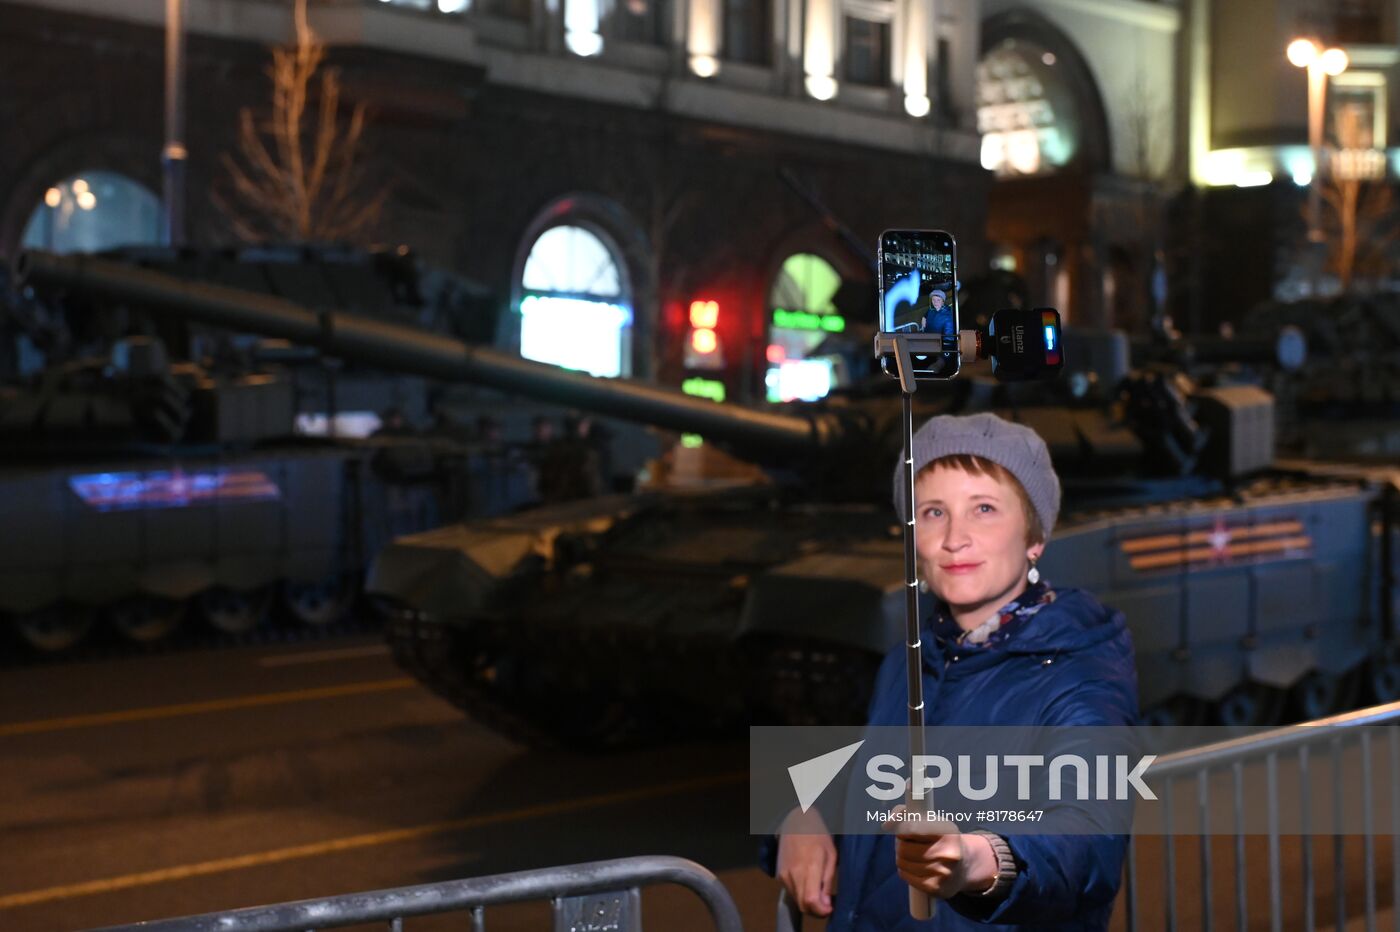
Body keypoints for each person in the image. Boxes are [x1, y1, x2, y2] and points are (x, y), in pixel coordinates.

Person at [768, 412, 1138, 931]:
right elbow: (869, 766)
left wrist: (979, 861)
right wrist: (804, 812)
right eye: (933, 512)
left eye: (984, 509)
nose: (954, 537)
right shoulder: (913, 658)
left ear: (1034, 538)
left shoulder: (1077, 670)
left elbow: (1089, 832)